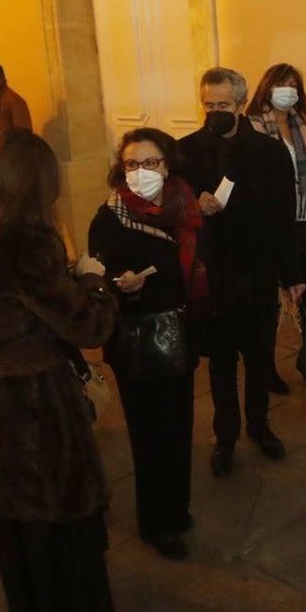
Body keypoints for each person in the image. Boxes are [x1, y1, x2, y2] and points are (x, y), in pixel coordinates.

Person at [0, 128, 118, 612]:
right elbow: (88, 325)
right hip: (38, 400)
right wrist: (93, 279)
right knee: (58, 515)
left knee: (16, 520)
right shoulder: (27, 243)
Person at [176, 67, 303, 477]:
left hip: (258, 267)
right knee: (222, 359)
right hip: (213, 271)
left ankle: (260, 424)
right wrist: (195, 202)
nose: (215, 112)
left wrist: (292, 272)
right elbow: (172, 209)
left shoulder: (268, 152)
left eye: (223, 105)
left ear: (241, 105)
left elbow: (286, 216)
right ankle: (225, 434)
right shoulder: (186, 151)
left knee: (260, 352)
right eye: (209, 105)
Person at [88, 127, 206, 561]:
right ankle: (156, 523)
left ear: (168, 164)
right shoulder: (110, 217)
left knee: (179, 428)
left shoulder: (183, 206)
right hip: (138, 340)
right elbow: (97, 279)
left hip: (181, 332)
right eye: (132, 164)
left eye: (151, 162)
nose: (141, 172)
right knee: (150, 435)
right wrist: (124, 287)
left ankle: (176, 509)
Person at [246, 63, 306, 394]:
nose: (288, 90)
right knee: (271, 303)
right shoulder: (250, 127)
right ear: (267, 87)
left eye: (294, 84)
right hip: (270, 224)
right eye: (282, 83)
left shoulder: (300, 126)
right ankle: (264, 368)